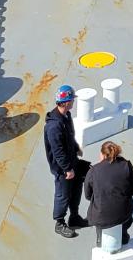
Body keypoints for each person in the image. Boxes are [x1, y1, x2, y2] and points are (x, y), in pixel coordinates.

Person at [43, 84, 87, 237]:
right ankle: (59, 223)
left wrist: (76, 147)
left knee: (76, 189)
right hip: (63, 169)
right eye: (72, 100)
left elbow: (69, 136)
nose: (73, 102)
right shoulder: (54, 126)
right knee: (63, 194)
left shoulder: (66, 116)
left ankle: (74, 217)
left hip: (72, 161)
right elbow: (58, 151)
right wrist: (67, 169)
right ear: (66, 102)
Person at [83, 138, 133, 250]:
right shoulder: (126, 165)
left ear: (103, 154)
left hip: (101, 216)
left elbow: (87, 195)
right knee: (124, 216)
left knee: (100, 217)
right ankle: (123, 236)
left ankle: (100, 240)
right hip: (123, 214)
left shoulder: (93, 171)